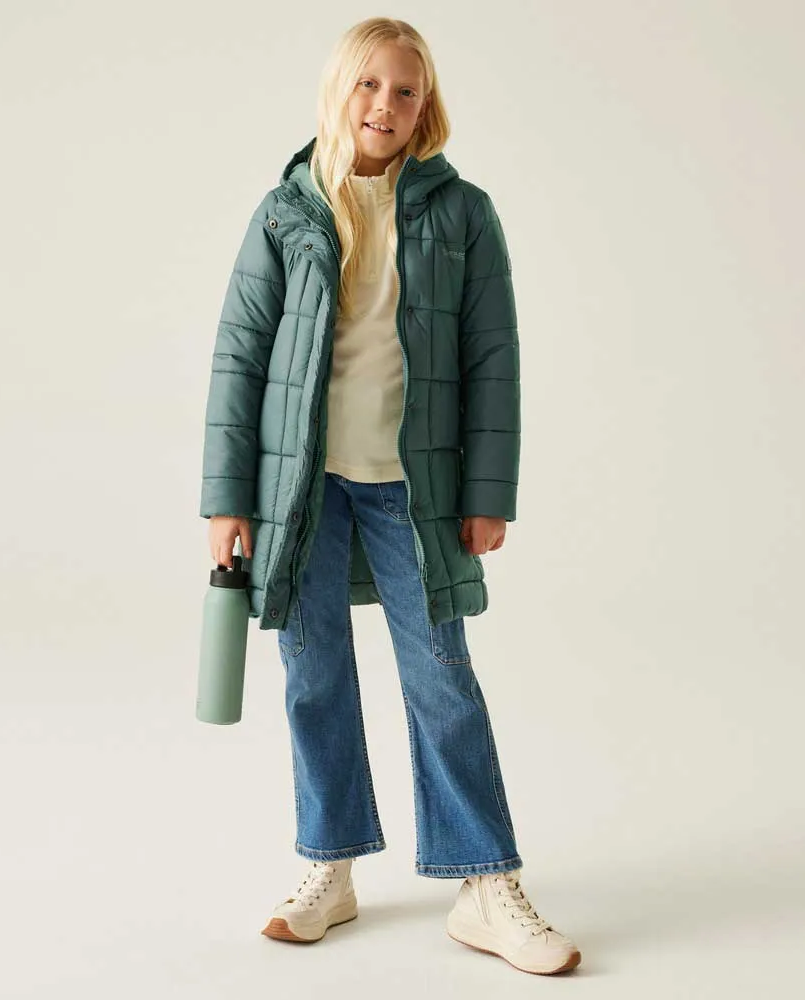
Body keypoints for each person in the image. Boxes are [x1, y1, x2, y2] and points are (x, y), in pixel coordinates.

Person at [199, 17, 581, 977]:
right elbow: (239, 359)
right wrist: (227, 498)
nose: (385, 104)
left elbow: (494, 363)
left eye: (405, 90)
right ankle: (329, 866)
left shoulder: (465, 214)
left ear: (425, 107)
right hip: (300, 493)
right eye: (369, 85)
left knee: (441, 678)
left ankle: (484, 882)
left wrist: (488, 494)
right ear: (339, 92)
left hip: (418, 490)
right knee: (313, 675)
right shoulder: (286, 213)